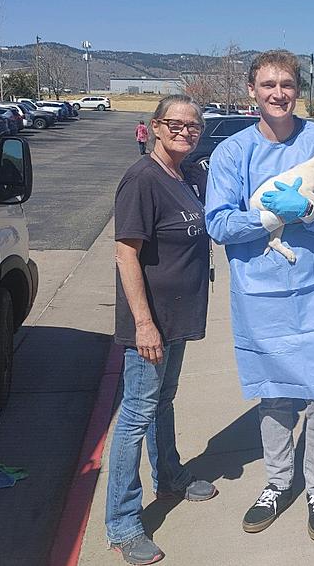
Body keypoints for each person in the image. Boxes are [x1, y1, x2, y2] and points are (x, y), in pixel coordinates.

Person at [204, 49, 314, 542]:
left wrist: (311, 213)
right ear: (251, 89)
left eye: (287, 85)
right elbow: (219, 222)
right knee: (274, 396)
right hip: (263, 293)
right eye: (268, 84)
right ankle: (277, 481)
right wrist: (270, 217)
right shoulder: (234, 153)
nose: (278, 94)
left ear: (298, 90)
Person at [107, 94, 217, 565]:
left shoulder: (188, 175)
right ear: (155, 126)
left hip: (178, 317)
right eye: (176, 124)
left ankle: (169, 475)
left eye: (194, 126)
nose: (186, 132)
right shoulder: (142, 179)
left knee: (162, 402)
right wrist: (144, 324)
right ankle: (123, 520)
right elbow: (125, 252)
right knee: (135, 415)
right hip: (150, 323)